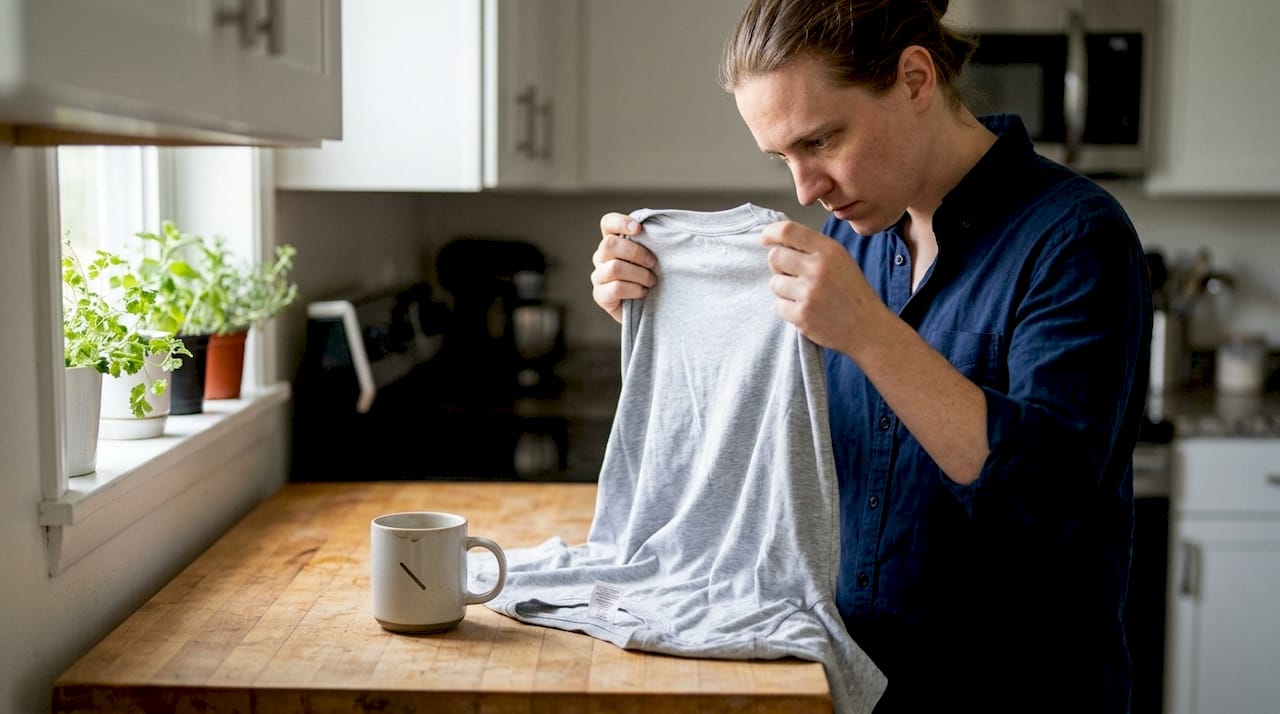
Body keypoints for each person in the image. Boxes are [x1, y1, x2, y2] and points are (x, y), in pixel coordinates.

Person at [588, 0, 1152, 712]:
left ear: (915, 80)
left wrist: (871, 334)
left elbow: (1048, 500)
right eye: (783, 158)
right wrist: (657, 315)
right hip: (849, 685)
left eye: (821, 141)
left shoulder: (1076, 237)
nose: (805, 189)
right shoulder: (849, 242)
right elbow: (766, 439)